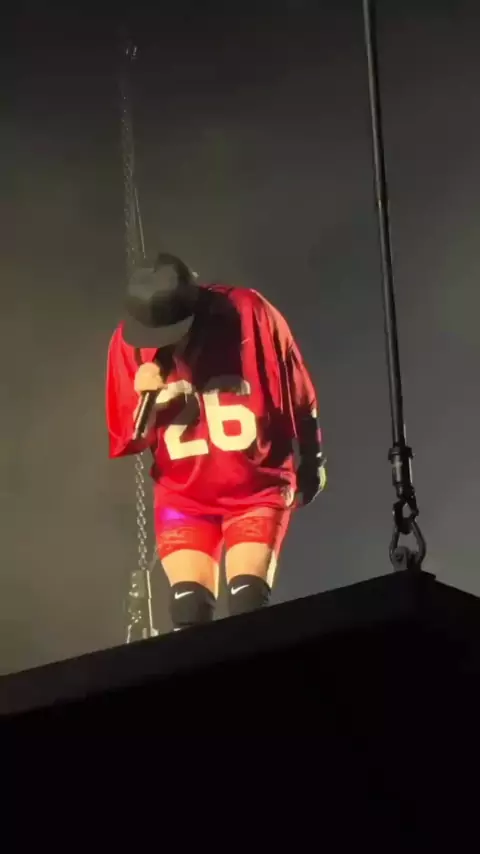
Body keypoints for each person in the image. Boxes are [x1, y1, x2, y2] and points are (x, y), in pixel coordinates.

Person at [106, 252, 326, 631]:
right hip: (184, 496)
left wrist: (313, 455)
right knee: (188, 611)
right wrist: (144, 399)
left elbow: (297, 388)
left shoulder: (249, 311)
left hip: (256, 487)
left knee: (247, 603)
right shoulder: (129, 343)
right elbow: (131, 436)